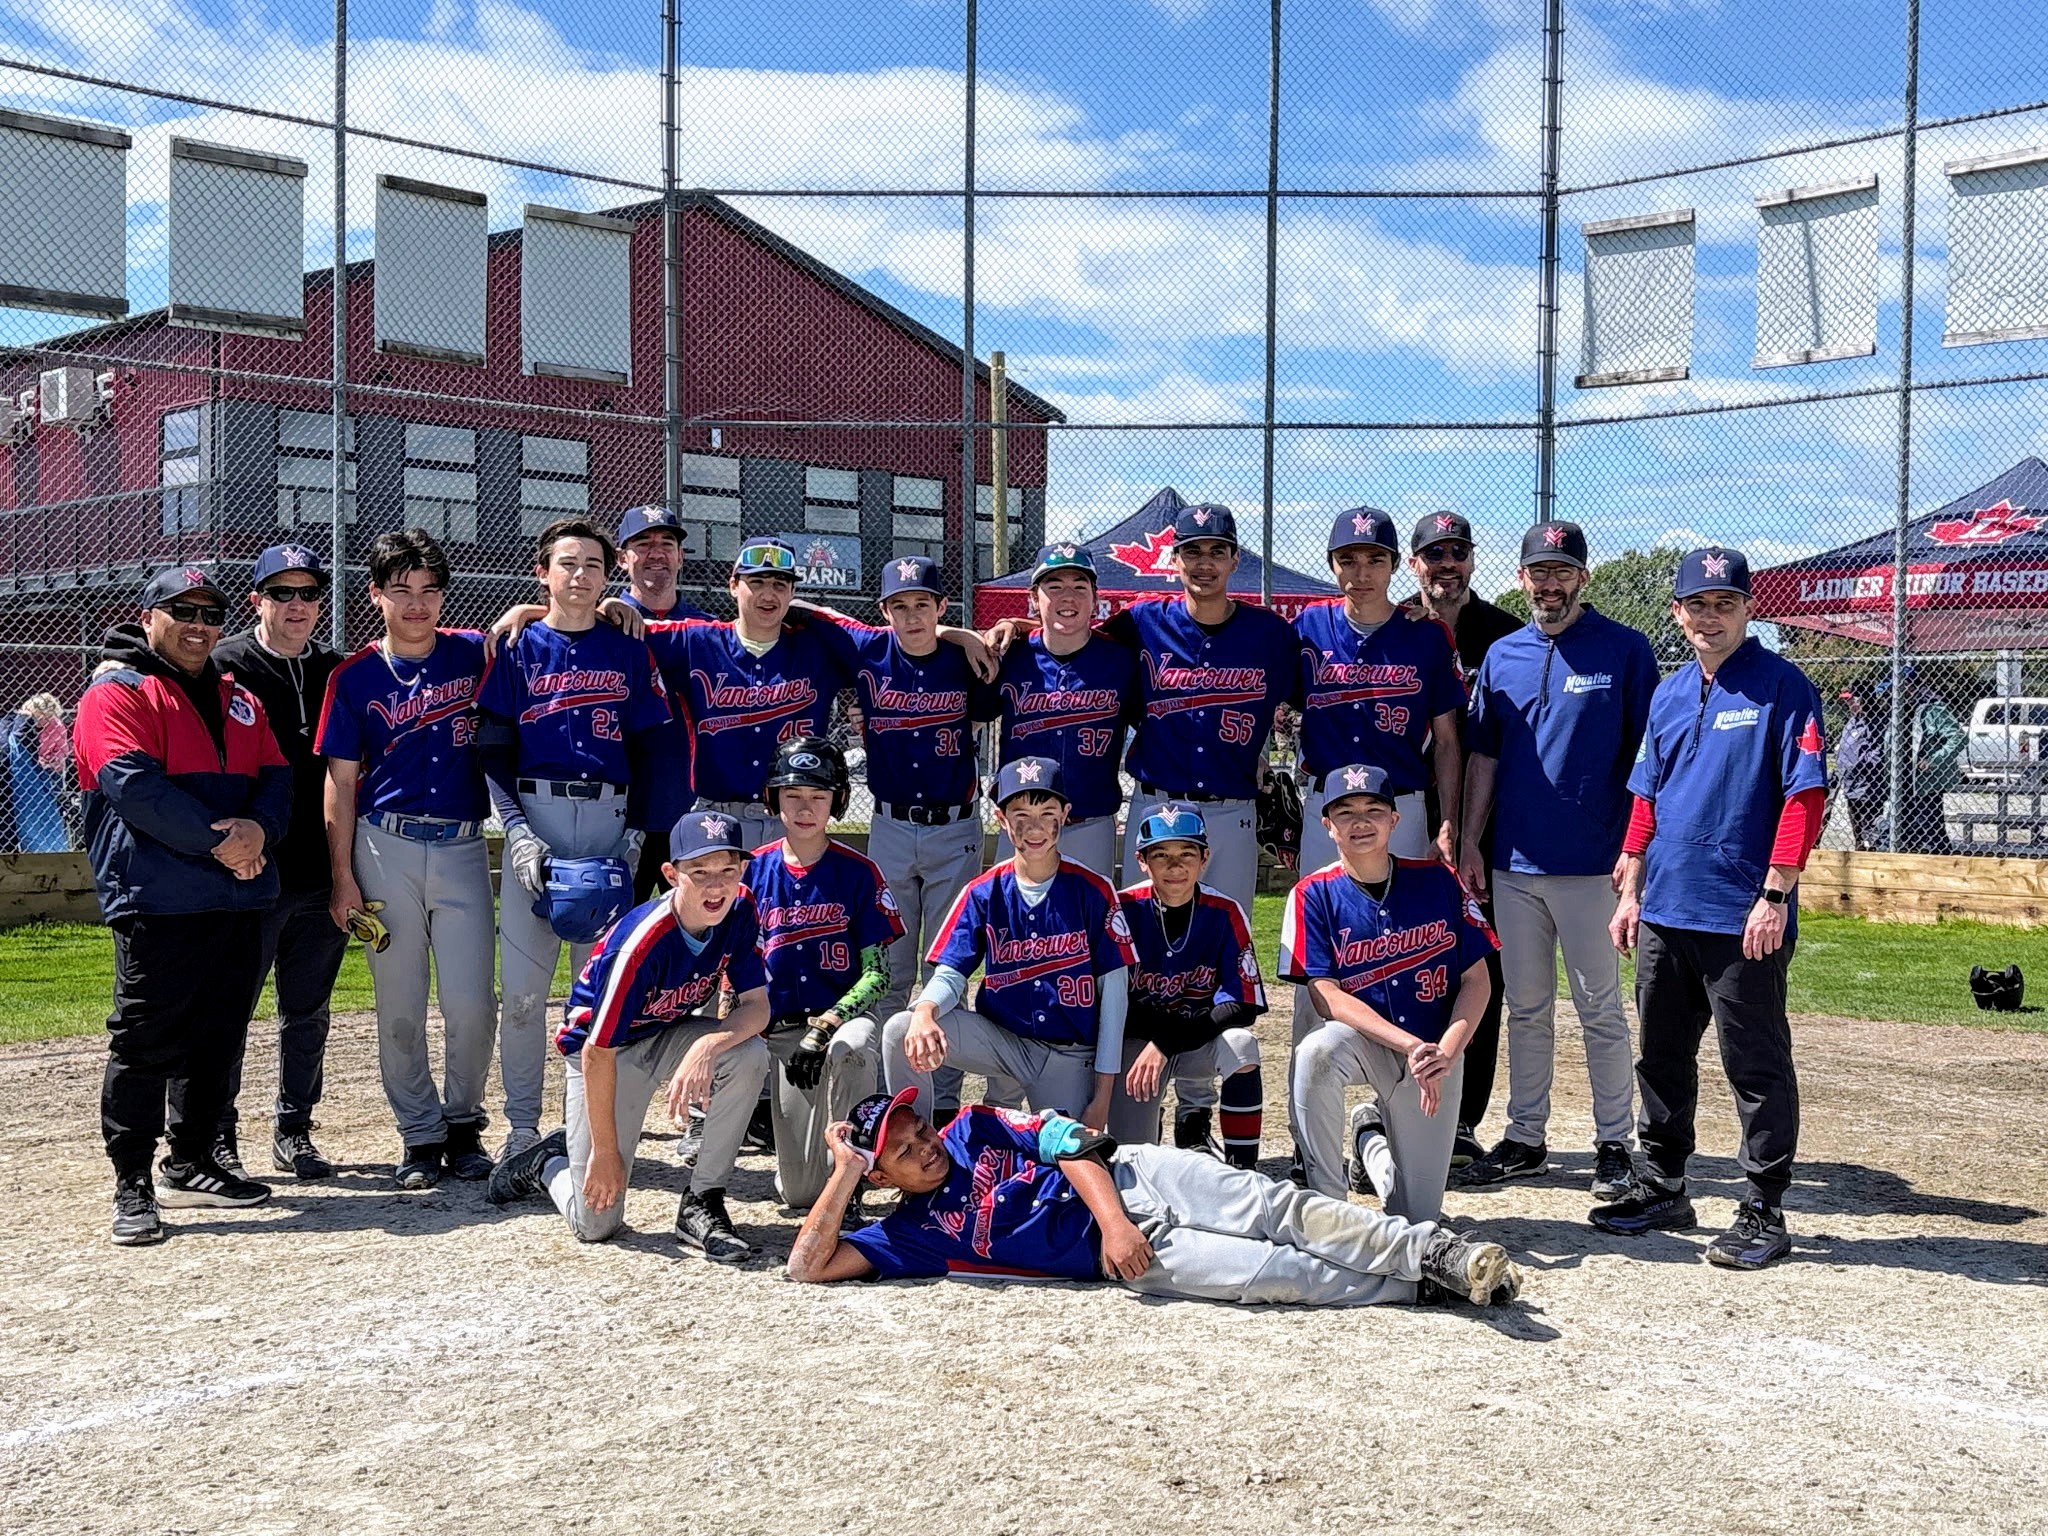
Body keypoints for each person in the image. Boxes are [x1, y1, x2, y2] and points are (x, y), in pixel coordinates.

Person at [1600, 546, 1828, 1270]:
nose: (1710, 616)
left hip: (1741, 914)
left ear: (1747, 609)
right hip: (1668, 905)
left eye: (1724, 603)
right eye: (1697, 605)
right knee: (1660, 1055)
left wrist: (1775, 894)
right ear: (1678, 612)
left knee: (1754, 1062)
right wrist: (1631, 884)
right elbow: (1645, 795)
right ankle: (1663, 1181)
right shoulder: (1670, 693)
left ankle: (1765, 1206)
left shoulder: (1782, 687)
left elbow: (1805, 796)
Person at [784, 1089, 1523, 1309]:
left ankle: (1431, 1250)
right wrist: (845, 1171)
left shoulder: (975, 1125)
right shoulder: (907, 1237)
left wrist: (1110, 1221)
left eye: (919, 1130)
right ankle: (1416, 1288)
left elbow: (1071, 1145)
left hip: (1136, 1183)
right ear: (881, 1179)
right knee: (1275, 1276)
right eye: (903, 1153)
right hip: (1137, 1260)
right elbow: (807, 1269)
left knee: (1278, 1209)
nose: (925, 1147)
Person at [72, 566, 292, 1244]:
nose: (198, 626)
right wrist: (222, 845)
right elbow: (134, 789)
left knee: (218, 1038)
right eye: (181, 611)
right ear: (149, 618)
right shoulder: (117, 691)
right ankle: (132, 1179)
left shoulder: (238, 695)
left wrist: (259, 831)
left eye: (210, 614)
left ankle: (192, 1160)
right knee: (146, 1039)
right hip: (159, 897)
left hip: (238, 894)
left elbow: (279, 777)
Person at [1454, 522, 1659, 1200]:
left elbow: (1647, 762)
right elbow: (1482, 758)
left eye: (1562, 570)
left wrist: (1636, 853)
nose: (1549, 583)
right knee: (1528, 1009)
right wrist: (1470, 846)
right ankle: (1525, 1136)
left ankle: (1613, 1143)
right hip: (1514, 863)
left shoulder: (1625, 650)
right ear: (1520, 579)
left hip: (1593, 865)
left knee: (1601, 1008)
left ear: (1583, 578)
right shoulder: (1504, 654)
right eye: (1538, 571)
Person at [487, 810, 773, 1262]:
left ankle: (703, 1200)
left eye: (727, 871)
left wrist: (708, 1043)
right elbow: (597, 1052)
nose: (715, 886)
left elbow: (758, 1006)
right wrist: (605, 1153)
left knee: (748, 1053)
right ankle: (549, 1164)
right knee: (596, 1224)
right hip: (602, 1054)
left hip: (667, 1032)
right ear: (671, 873)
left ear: (743, 870)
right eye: (699, 872)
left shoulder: (740, 909)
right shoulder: (640, 943)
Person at [479, 517, 672, 1160]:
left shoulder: (628, 647)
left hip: (611, 820)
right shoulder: (516, 646)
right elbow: (494, 753)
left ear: (607, 574)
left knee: (600, 992)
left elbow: (653, 753)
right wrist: (517, 833)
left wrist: (637, 839)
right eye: (567, 563)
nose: (580, 575)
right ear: (543, 573)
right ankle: (523, 1130)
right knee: (526, 993)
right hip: (536, 815)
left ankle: (591, 1127)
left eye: (592, 564)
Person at [1286, 507, 1464, 1184]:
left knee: (1408, 958)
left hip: (1406, 811)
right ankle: (1312, 1139)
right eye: (1348, 560)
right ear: (1332, 567)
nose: (1361, 573)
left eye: (1374, 559)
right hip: (1325, 815)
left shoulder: (1424, 637)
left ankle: (1403, 1122)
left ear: (1397, 566)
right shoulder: (1304, 632)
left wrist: (1445, 819)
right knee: (1318, 966)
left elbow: (1448, 739)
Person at [318, 529, 499, 1190]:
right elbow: (339, 780)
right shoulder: (356, 675)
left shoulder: (474, 655)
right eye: (402, 590)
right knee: (399, 1000)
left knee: (472, 1000)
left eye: (429, 590)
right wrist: (342, 877)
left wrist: (532, 611)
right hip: (382, 844)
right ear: (376, 594)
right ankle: (420, 1134)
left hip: (460, 843)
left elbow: (533, 631)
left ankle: (463, 1123)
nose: (417, 604)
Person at [1281, 764, 1498, 1225]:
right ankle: (1329, 1206)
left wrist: (1446, 1051)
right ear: (1328, 825)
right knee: (1316, 1050)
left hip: (1435, 1053)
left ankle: (1369, 1142)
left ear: (1394, 821)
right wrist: (1409, 1045)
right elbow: (1327, 998)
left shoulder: (1439, 880)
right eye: (1346, 812)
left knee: (1417, 1217)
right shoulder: (1311, 894)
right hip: (1365, 1044)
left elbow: (1478, 981)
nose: (1360, 822)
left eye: (1373, 810)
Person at [882, 757, 1136, 1130]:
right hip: (1000, 1043)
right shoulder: (984, 891)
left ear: (1065, 814)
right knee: (901, 1028)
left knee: (1067, 1165)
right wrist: (924, 1011)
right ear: (1001, 819)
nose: (1034, 828)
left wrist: (1101, 1099)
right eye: (1020, 815)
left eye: (1047, 813)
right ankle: (915, 1149)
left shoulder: (1092, 890)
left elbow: (1114, 999)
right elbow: (952, 974)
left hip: (1066, 1055)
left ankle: (1010, 1112)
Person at [806, 555, 993, 1026]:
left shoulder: (962, 659)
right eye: (900, 605)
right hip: (889, 824)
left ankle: (944, 1094)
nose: (913, 616)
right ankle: (887, 1086)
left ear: (941, 606)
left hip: (954, 828)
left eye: (923, 604)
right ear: (884, 611)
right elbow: (797, 605)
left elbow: (1018, 644)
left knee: (946, 963)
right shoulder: (866, 646)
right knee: (889, 960)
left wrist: (961, 636)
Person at [211, 544, 349, 1181]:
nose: (297, 606)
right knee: (230, 1006)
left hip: (322, 867)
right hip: (247, 872)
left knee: (308, 1007)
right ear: (257, 601)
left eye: (308, 594)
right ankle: (216, 1134)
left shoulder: (335, 669)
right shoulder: (225, 667)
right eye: (282, 594)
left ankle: (294, 1127)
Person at [1103, 504, 1298, 916]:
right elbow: (1071, 636)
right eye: (1192, 552)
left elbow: (1333, 680)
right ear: (1174, 560)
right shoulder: (1143, 621)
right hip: (1156, 803)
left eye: (1216, 551)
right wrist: (1009, 627)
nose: (1204, 563)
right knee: (1142, 934)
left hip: (1232, 810)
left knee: (1230, 932)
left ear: (1234, 560)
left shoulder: (1270, 634)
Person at [1400, 511, 1521, 1169]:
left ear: (1472, 562)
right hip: (1403, 820)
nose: (1446, 565)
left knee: (1480, 966)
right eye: (1433, 555)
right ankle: (1403, 1106)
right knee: (1406, 961)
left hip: (1482, 827)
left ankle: (1466, 1119)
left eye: (1457, 554)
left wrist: (1468, 830)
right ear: (1414, 564)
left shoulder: (1504, 634)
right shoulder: (1397, 627)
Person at [745, 735, 902, 1212]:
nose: (805, 807)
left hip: (841, 1021)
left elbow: (878, 975)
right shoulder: (753, 872)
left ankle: (851, 1181)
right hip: (783, 1030)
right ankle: (816, 1170)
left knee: (851, 1049)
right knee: (800, 1194)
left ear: (838, 801)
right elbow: (738, 967)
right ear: (774, 800)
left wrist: (828, 1024)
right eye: (793, 795)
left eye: (818, 796)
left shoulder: (859, 872)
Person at [643, 538, 856, 853]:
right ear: (733, 585)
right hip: (716, 816)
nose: (769, 594)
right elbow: (612, 630)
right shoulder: (698, 640)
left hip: (791, 815)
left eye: (780, 584)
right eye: (756, 582)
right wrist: (615, 607)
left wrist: (811, 612)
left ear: (793, 593)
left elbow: (882, 645)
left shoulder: (818, 648)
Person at [1109, 805, 1266, 1165]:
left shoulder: (1223, 910)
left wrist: (1167, 1041)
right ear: (1141, 861)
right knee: (1135, 1158)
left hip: (1198, 1041)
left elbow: (1243, 1006)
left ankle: (1242, 1171)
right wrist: (1160, 1041)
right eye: (1161, 855)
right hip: (1137, 1046)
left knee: (1241, 1045)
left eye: (1187, 854)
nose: (1175, 866)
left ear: (1205, 858)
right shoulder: (1121, 909)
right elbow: (1110, 1003)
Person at [985, 541, 1140, 881]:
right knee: (1011, 926)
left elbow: (1157, 722)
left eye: (1079, 587)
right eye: (1054, 587)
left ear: (1095, 599)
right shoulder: (1008, 655)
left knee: (1087, 928)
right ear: (1033, 598)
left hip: (1091, 823)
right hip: (1020, 825)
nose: (1067, 598)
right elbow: (968, 713)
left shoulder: (1122, 660)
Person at [611, 505, 714, 901]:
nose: (656, 552)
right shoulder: (602, 625)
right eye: (642, 543)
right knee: (620, 941)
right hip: (622, 815)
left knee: (701, 942)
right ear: (622, 558)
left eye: (666, 543)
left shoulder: (706, 630)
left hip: (688, 809)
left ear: (680, 556)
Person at [1897, 675, 1963, 855]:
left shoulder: (1933, 708)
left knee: (1931, 826)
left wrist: (1934, 760)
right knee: (1906, 828)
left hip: (1925, 781)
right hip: (1903, 777)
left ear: (1911, 686)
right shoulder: (1899, 708)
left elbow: (1958, 737)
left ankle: (1942, 859)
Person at [6, 692, 68, 851]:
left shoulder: (57, 726)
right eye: (40, 718)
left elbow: (62, 752)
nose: (42, 722)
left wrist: (55, 760)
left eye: (46, 718)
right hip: (28, 768)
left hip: (48, 771)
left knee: (49, 808)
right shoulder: (22, 722)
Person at [1833, 684, 1887, 851]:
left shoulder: (1877, 721)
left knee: (1871, 826)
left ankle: (1876, 851)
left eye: (1852, 700)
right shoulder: (1852, 721)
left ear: (1864, 699)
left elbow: (1879, 753)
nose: (1849, 704)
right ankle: (1860, 847)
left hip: (1869, 785)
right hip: (1850, 784)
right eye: (1847, 701)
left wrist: (1858, 763)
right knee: (1857, 830)